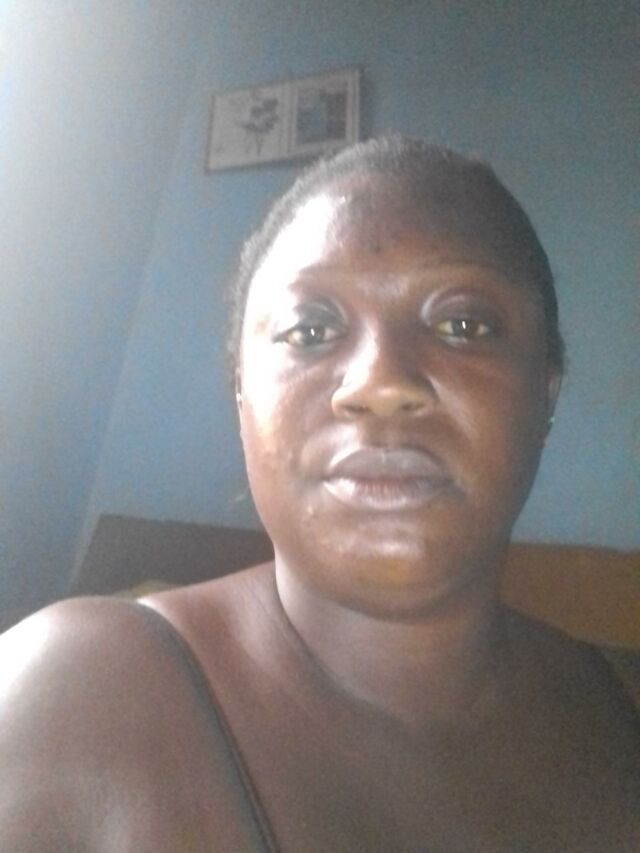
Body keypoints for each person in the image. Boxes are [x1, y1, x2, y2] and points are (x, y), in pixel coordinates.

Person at [0, 137, 638, 852]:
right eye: (310, 331)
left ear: (545, 391)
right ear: (242, 396)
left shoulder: (619, 703)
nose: (380, 383)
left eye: (463, 325)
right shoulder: (69, 694)